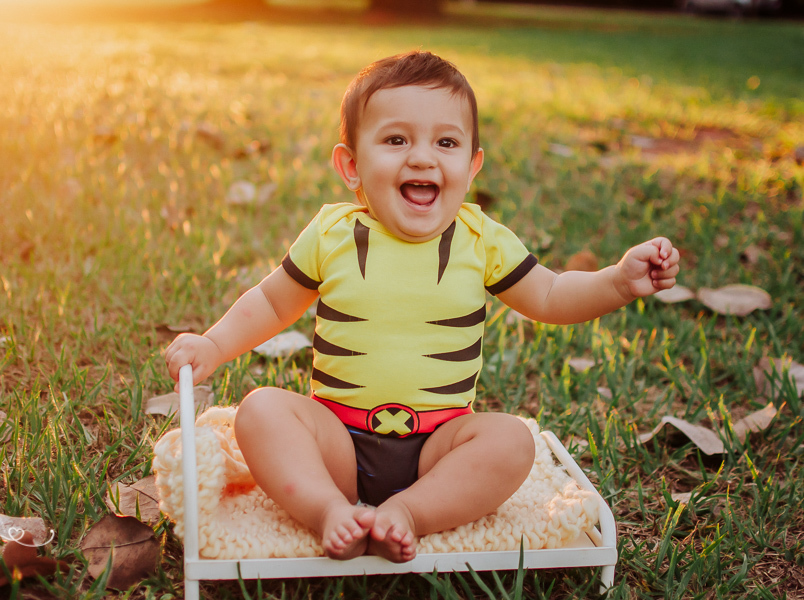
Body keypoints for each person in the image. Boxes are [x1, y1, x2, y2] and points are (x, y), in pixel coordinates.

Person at [165, 51, 680, 564]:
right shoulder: (332, 234)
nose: (422, 158)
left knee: (512, 442)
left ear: (471, 165)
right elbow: (272, 302)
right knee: (260, 410)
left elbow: (549, 296)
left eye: (447, 142)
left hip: (438, 449)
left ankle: (410, 512)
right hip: (337, 441)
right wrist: (214, 343)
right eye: (396, 140)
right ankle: (327, 510)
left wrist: (617, 281)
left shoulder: (482, 240)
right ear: (351, 166)